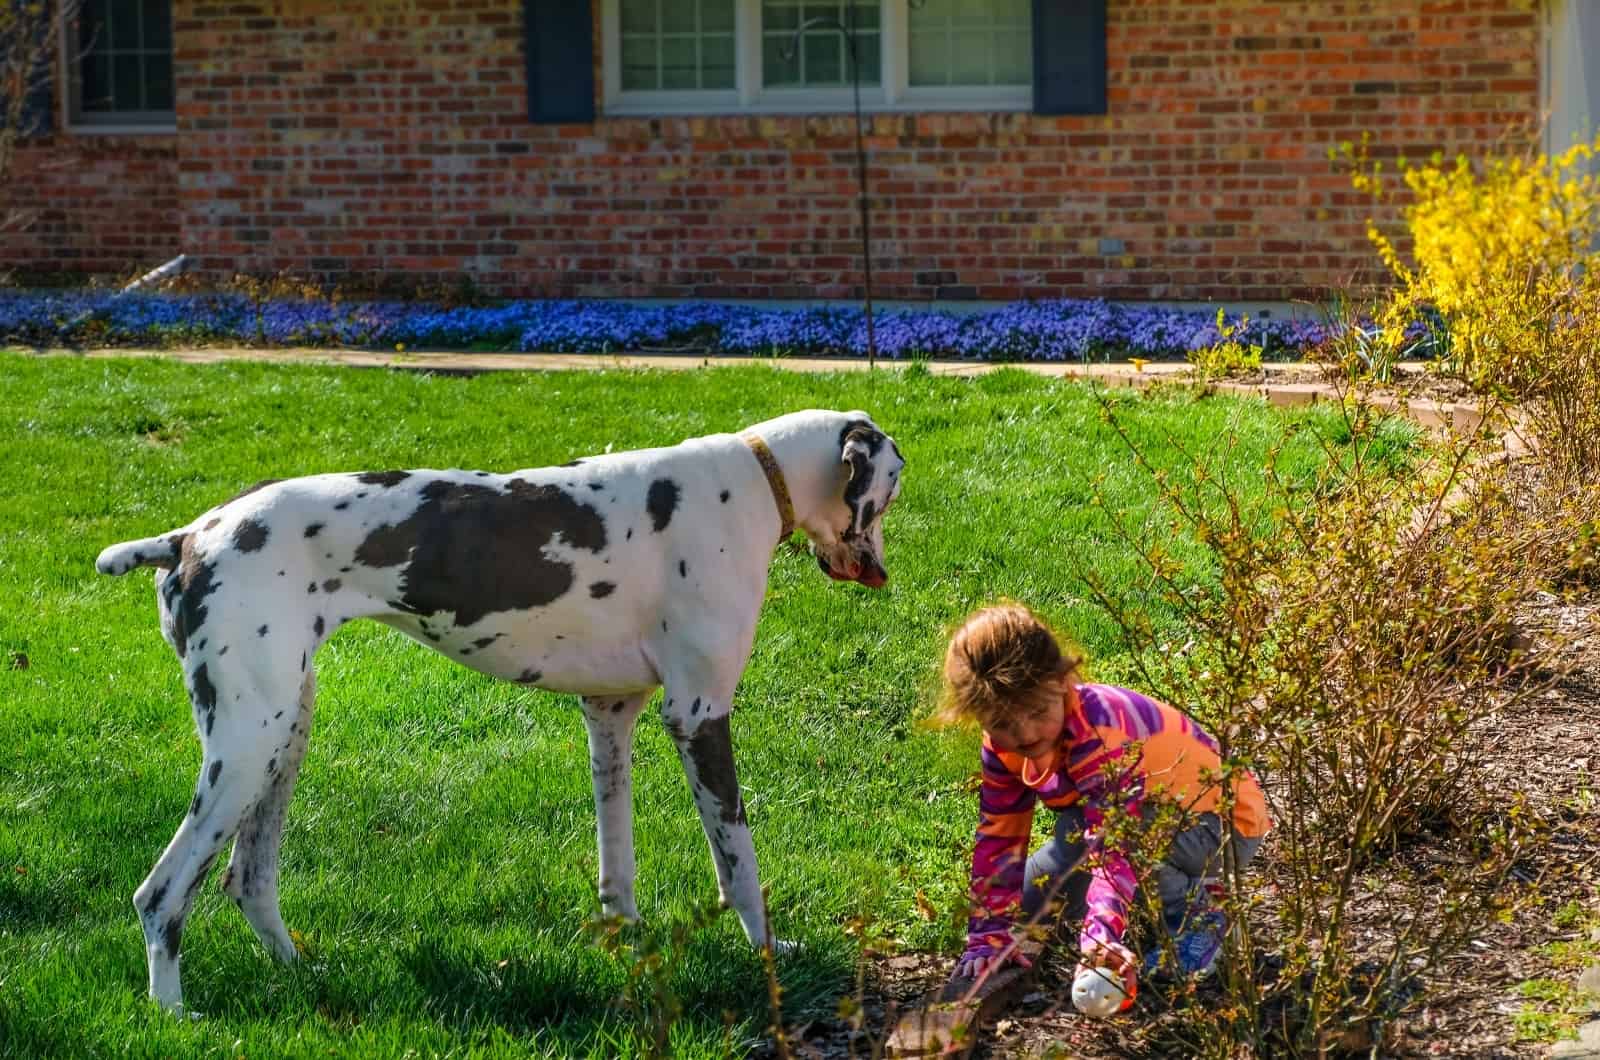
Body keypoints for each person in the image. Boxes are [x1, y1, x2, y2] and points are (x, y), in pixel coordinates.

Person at [933, 603, 1271, 1009]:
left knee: (1105, 844)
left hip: (1222, 826)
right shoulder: (1004, 750)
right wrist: (989, 935)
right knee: (1035, 901)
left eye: (1037, 713)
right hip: (1139, 822)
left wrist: (1099, 936)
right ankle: (1161, 898)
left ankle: (1200, 913)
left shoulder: (1100, 731)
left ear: (1062, 683)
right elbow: (999, 836)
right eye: (1002, 724)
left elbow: (1115, 845)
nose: (1023, 734)